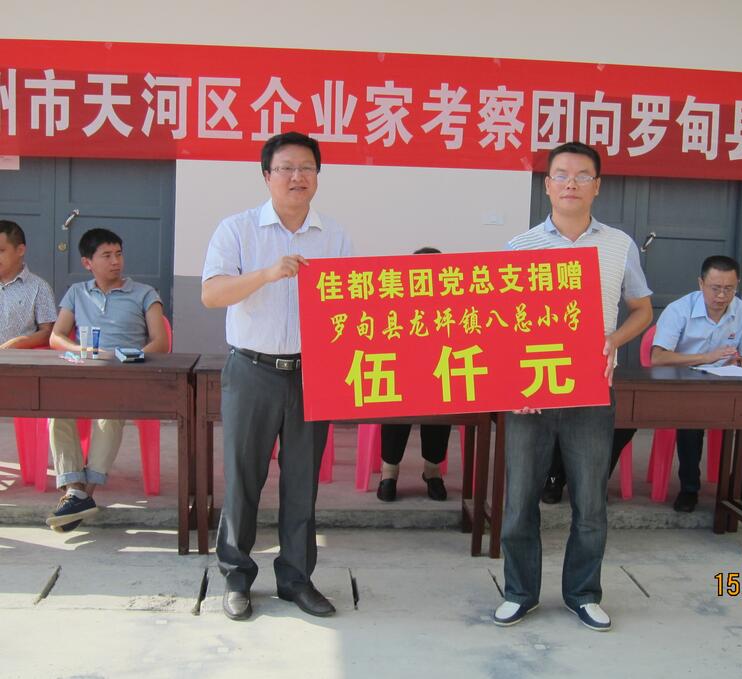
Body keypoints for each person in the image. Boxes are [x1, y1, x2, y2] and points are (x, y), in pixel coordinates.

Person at [495, 141, 652, 632]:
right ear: (547, 185)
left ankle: (583, 593)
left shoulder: (619, 245)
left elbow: (642, 309)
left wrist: (613, 339)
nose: (571, 183)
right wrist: (512, 384)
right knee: (519, 502)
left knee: (590, 503)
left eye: (582, 175)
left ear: (596, 186)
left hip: (591, 392)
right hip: (530, 395)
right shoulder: (520, 247)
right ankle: (519, 593)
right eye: (561, 175)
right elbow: (502, 325)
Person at [202, 131, 353, 621]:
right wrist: (267, 274)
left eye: (306, 168)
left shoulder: (335, 236)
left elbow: (351, 305)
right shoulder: (237, 229)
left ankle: (295, 579)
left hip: (313, 373)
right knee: (244, 478)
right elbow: (212, 294)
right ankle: (237, 577)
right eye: (286, 168)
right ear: (267, 176)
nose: (296, 177)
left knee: (302, 482)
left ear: (317, 177)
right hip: (252, 369)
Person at [46, 228, 168, 531]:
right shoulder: (77, 293)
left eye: (119, 254)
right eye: (107, 255)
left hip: (126, 375)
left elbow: (161, 342)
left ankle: (82, 494)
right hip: (86, 373)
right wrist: (80, 349)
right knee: (56, 410)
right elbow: (56, 336)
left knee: (108, 415)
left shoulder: (145, 293)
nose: (116, 261)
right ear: (88, 263)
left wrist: (131, 357)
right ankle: (75, 489)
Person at [650, 255, 742, 513]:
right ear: (701, 284)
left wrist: (739, 362)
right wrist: (705, 358)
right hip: (683, 384)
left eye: (729, 289)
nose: (721, 296)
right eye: (715, 288)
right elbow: (658, 358)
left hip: (726, 386)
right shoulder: (679, 309)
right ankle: (689, 488)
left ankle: (739, 486)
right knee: (692, 418)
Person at [377, 246, 452, 503]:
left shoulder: (450, 307)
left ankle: (432, 470)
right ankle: (390, 471)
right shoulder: (394, 302)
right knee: (395, 397)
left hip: (438, 377)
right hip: (401, 379)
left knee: (444, 395)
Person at [0, 219, 56, 349]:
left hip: (19, 358)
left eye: (1, 250)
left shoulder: (39, 287)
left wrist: (15, 344)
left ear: (20, 250)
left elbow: (47, 333)